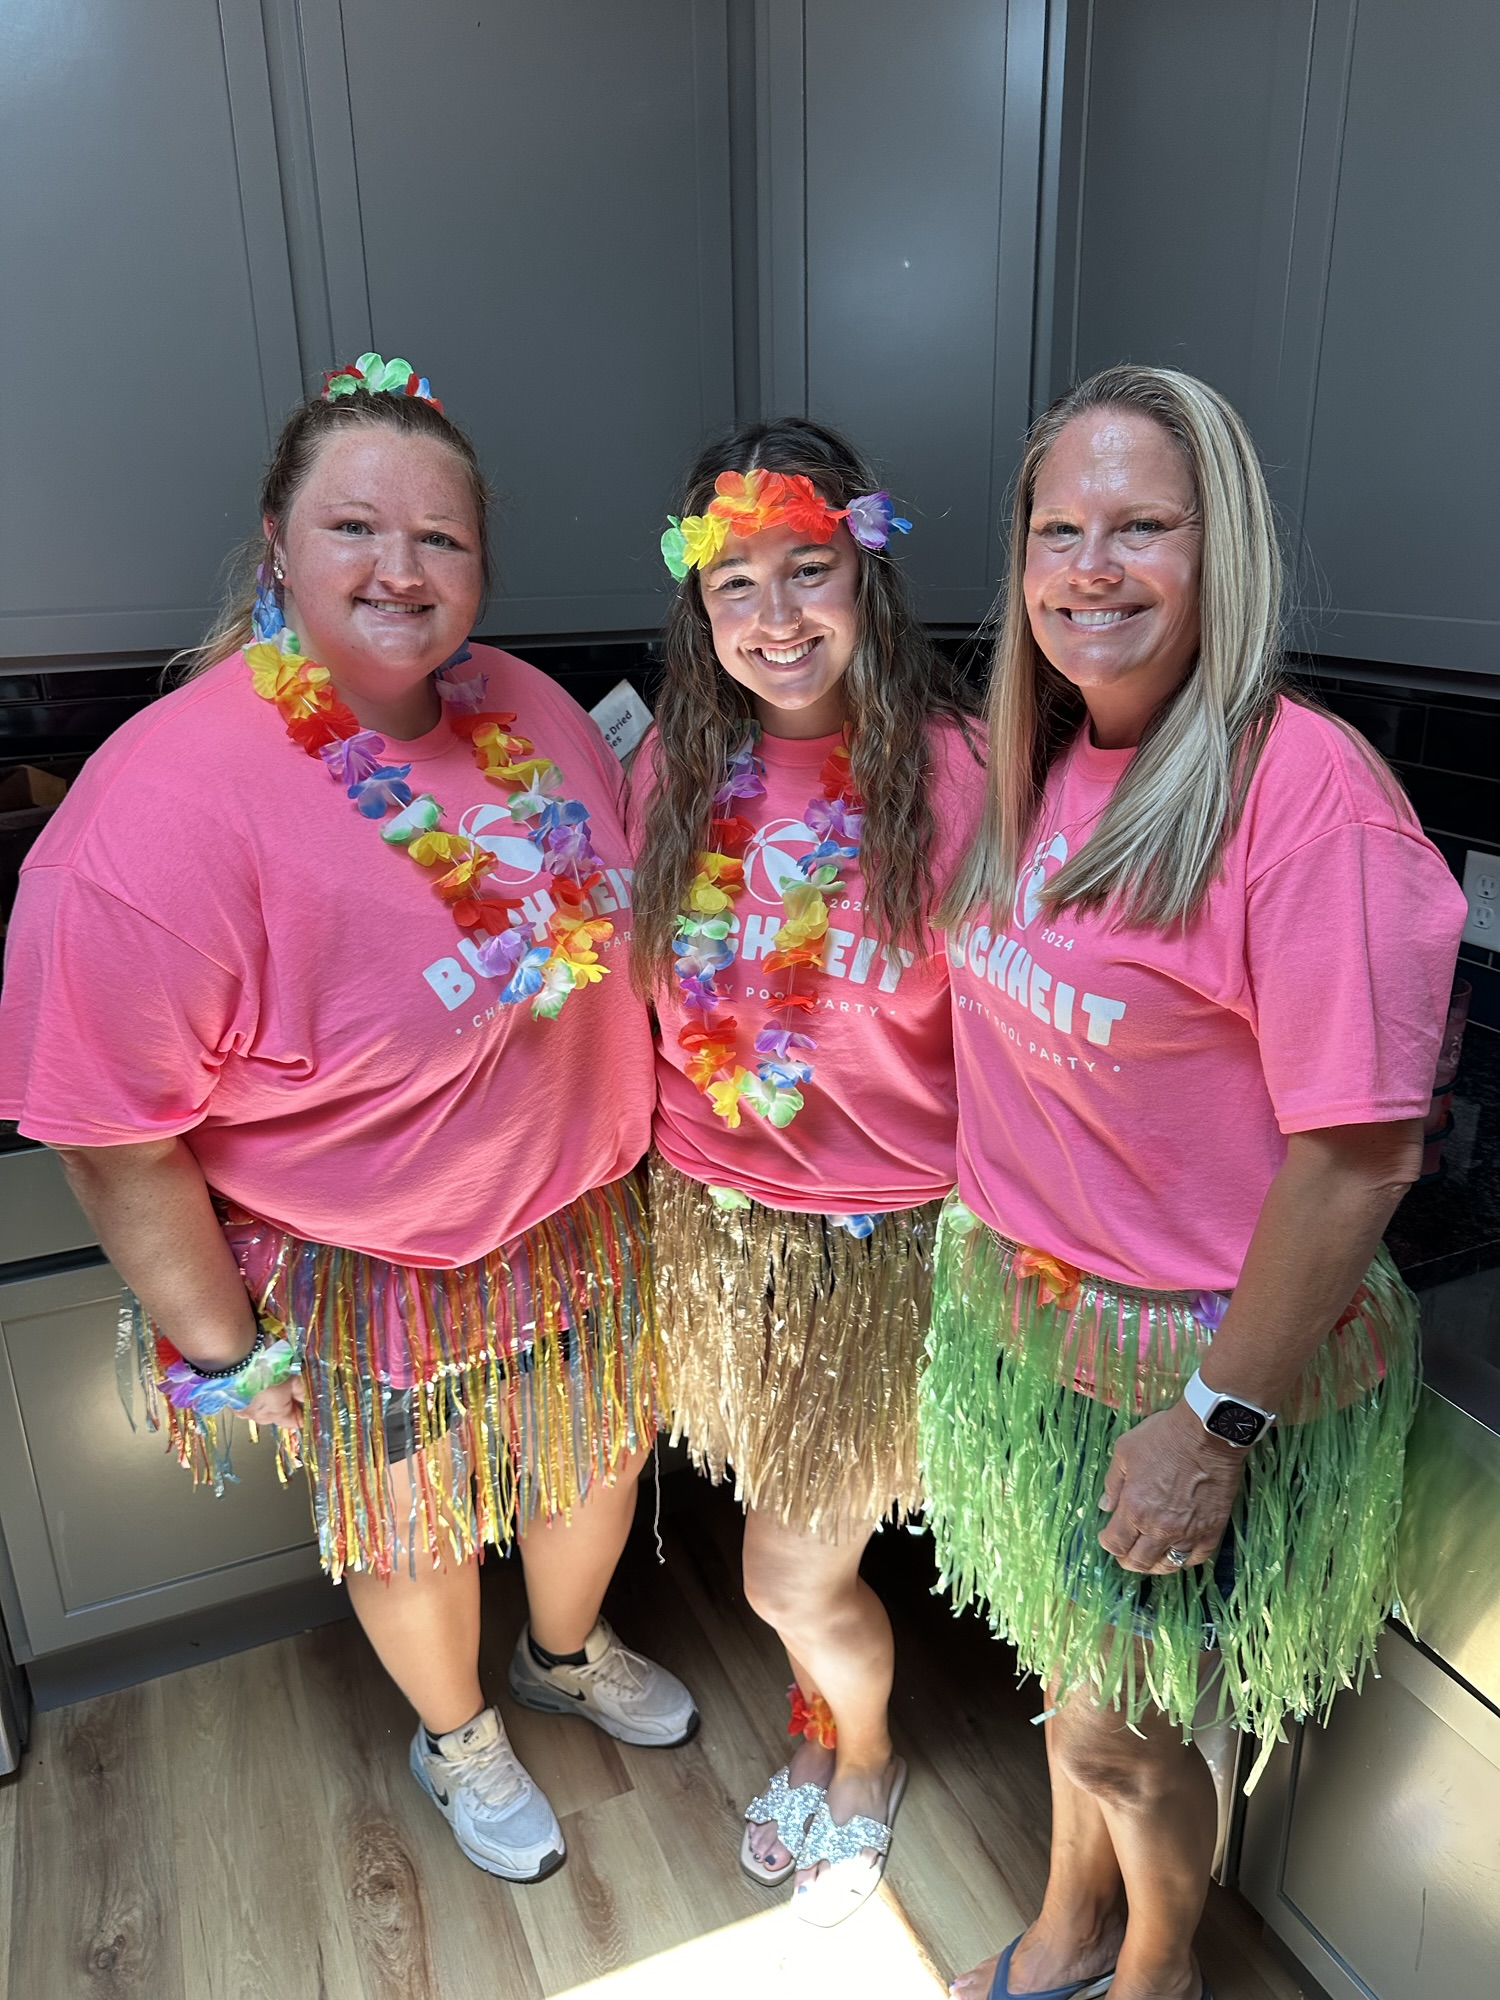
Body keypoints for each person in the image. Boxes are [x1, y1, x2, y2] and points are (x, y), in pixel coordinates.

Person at [0, 355, 696, 1885]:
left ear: (482, 564)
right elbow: (111, 1136)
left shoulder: (519, 703)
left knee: (597, 1470)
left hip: (582, 1214)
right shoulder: (157, 805)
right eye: (355, 529)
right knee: (412, 1531)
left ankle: (564, 1660)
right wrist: (228, 1354)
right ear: (276, 543)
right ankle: (457, 1737)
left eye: (441, 539)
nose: (403, 569)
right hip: (368, 1262)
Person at [925, 365, 1466, 2000]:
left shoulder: (1305, 799)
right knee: (1063, 1674)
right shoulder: (1036, 756)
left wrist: (1218, 1422)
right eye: (1060, 529)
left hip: (1196, 1362)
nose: (1094, 567)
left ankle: (1157, 1971)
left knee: (1121, 1720)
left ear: (1221, 550)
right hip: (1034, 1327)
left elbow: (1362, 1148)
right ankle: (1073, 1921)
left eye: (1143, 526)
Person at [630, 418, 985, 1925]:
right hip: (714, 1232)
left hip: (879, 1246)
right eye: (735, 585)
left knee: (784, 1569)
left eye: (809, 571)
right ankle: (821, 1720)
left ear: (869, 575)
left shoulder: (964, 779)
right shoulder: (670, 767)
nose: (775, 619)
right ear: (696, 610)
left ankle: (869, 1763)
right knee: (783, 1533)